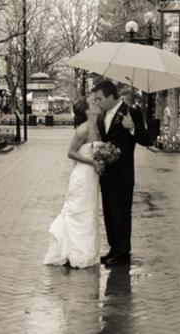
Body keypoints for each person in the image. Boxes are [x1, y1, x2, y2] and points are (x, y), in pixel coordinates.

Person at [43, 98, 103, 268]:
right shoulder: (83, 130)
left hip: (92, 177)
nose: (96, 105)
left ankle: (87, 252)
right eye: (93, 105)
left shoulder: (97, 127)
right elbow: (71, 152)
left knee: (89, 212)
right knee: (78, 212)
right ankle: (74, 252)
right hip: (82, 176)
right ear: (86, 111)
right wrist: (92, 163)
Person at [97, 80, 150, 266]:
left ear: (112, 97)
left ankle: (123, 252)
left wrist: (132, 128)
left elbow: (146, 139)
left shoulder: (131, 112)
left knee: (121, 213)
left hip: (123, 173)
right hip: (106, 173)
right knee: (109, 213)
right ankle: (113, 247)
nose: (98, 102)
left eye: (100, 99)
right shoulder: (102, 114)